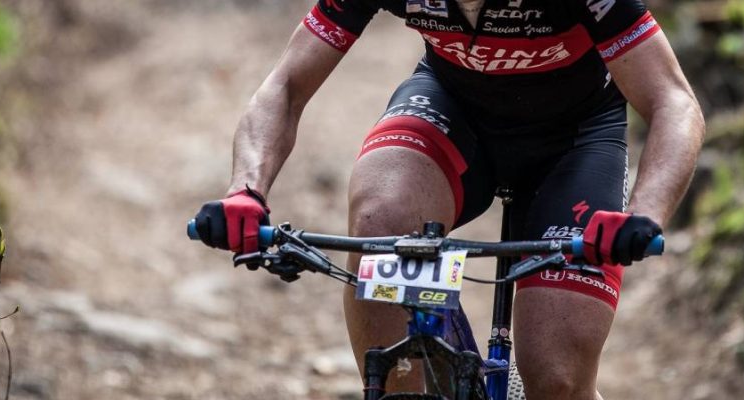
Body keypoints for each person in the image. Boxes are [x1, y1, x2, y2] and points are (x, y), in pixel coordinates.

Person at [194, 0, 704, 397]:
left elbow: (673, 100)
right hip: (453, 113)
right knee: (381, 222)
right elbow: (286, 85)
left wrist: (644, 213)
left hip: (576, 139)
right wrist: (247, 191)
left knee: (557, 377)